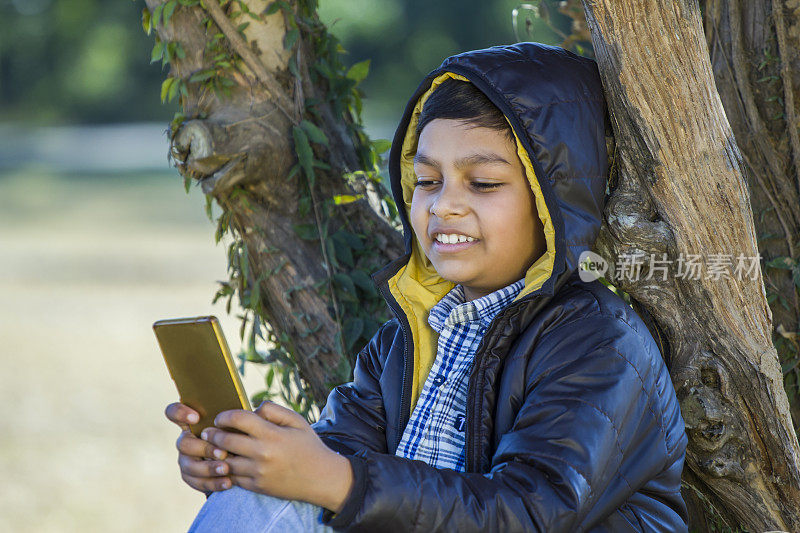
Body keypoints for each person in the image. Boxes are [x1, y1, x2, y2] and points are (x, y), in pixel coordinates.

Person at [165, 42, 688, 532]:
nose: (442, 206)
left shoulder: (598, 340)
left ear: (554, 202)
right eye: (427, 181)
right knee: (253, 500)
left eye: (482, 184)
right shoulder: (406, 340)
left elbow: (531, 510)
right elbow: (337, 456)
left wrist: (334, 480)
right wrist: (259, 459)